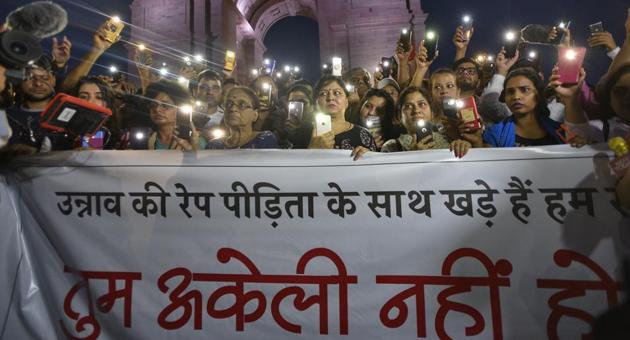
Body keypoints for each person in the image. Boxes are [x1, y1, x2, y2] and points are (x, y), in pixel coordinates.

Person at [5, 55, 74, 153]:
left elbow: (92, 147)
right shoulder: (5, 116)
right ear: (19, 80)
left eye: (44, 78)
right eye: (30, 78)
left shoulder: (68, 116)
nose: (38, 83)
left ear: (54, 80)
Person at [381, 86, 474, 158]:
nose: (416, 110)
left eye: (422, 104)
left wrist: (467, 149)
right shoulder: (391, 147)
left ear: (432, 113)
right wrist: (411, 158)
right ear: (400, 116)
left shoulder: (451, 142)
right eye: (408, 106)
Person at [483, 68, 565, 147]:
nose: (516, 97)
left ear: (538, 94)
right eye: (510, 92)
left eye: (525, 89)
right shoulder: (494, 134)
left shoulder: (561, 131)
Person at [308, 75, 376, 160]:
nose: (330, 98)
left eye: (337, 93)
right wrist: (312, 150)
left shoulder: (363, 135)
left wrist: (368, 156)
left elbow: (375, 169)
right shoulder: (302, 133)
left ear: (346, 101)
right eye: (323, 94)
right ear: (316, 103)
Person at [206, 86, 278, 149]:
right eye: (228, 104)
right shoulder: (214, 146)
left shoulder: (264, 140)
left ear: (255, 115)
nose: (233, 109)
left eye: (242, 105)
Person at [144, 80, 204, 150]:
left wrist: (192, 148)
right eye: (153, 105)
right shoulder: (145, 139)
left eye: (165, 105)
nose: (157, 109)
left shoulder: (195, 140)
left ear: (179, 108)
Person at [285, 83, 315, 149]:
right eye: (292, 103)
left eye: (302, 102)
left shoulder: (316, 132)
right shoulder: (278, 126)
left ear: (312, 107)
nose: (297, 107)